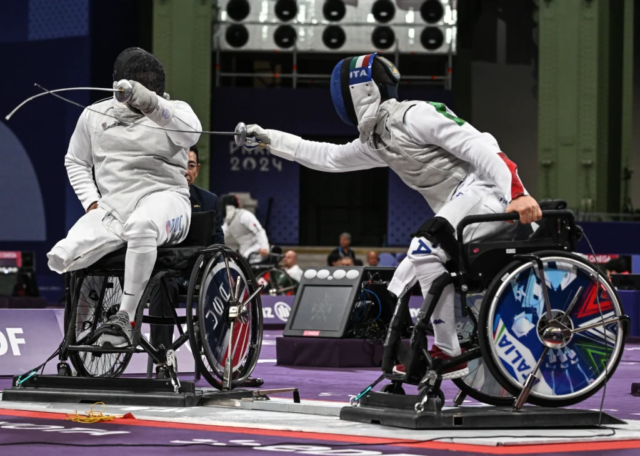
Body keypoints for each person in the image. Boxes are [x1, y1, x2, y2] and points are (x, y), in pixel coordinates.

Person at [244, 53, 541, 380]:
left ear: (361, 91)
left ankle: (448, 352)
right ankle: (421, 350)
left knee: (423, 249)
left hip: (487, 195)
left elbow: (480, 145)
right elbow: (328, 156)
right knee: (401, 279)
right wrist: (269, 139)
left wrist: (518, 193)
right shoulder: (377, 140)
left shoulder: (416, 115)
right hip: (458, 212)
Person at [47, 47, 201, 348]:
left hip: (166, 199)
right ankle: (77, 339)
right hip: (113, 207)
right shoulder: (94, 115)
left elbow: (190, 134)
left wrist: (150, 103)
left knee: (142, 226)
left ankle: (125, 318)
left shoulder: (176, 110)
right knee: (65, 252)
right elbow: (76, 161)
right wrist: (91, 202)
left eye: (149, 80)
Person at [149, 144, 224, 354]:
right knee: (161, 284)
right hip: (167, 273)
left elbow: (218, 243)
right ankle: (162, 354)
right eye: (180, 165)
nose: (185, 171)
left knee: (219, 279)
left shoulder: (209, 200)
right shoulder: (155, 200)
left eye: (190, 166)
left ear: (197, 169)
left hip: (199, 274)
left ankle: (213, 351)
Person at [220, 195, 270, 263]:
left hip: (257, 249)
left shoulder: (244, 215)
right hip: (244, 250)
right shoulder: (229, 222)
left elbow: (259, 231)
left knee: (243, 262)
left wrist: (265, 247)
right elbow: (221, 234)